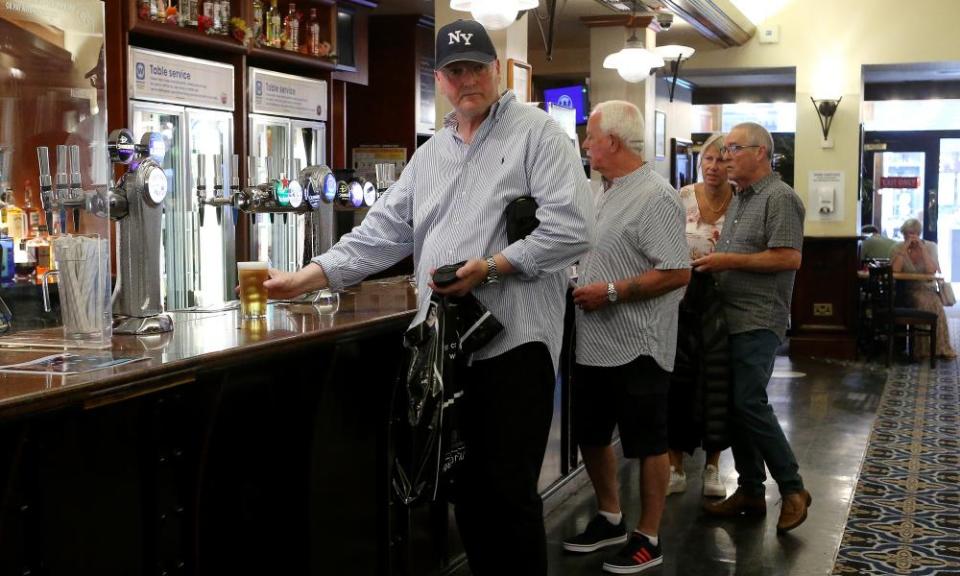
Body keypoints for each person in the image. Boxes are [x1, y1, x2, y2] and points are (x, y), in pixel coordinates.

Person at [263, 19, 594, 575]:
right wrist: (309, 276)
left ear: (495, 70)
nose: (468, 80)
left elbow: (572, 228)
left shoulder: (538, 133)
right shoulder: (433, 151)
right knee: (465, 490)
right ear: (439, 79)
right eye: (455, 71)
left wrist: (490, 267)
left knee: (507, 496)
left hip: (516, 344)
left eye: (477, 68)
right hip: (447, 349)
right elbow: (382, 232)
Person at [562, 100, 690, 574]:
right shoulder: (599, 189)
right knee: (591, 435)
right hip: (592, 341)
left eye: (590, 135)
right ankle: (610, 517)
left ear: (612, 141)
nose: (585, 143)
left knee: (647, 442)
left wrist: (612, 292)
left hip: (639, 343)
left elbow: (677, 273)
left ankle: (648, 535)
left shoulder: (655, 196)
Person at [692, 122, 812, 534]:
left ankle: (793, 489)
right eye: (722, 149)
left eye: (733, 149)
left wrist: (726, 262)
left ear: (760, 152)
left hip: (759, 317)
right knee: (733, 404)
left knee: (747, 401)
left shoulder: (780, 198)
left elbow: (788, 258)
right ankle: (750, 490)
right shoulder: (741, 197)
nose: (724, 157)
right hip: (729, 317)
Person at [667, 133, 732, 499]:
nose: (714, 166)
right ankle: (675, 466)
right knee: (677, 382)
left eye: (722, 160)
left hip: (723, 303)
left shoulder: (740, 204)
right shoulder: (682, 197)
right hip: (679, 300)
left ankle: (713, 466)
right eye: (709, 159)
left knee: (718, 384)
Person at [890, 218, 956, 358]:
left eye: (913, 233)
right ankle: (922, 349)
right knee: (921, 302)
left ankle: (939, 348)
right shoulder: (897, 248)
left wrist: (923, 249)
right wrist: (903, 249)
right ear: (903, 235)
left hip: (926, 287)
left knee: (935, 305)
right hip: (906, 289)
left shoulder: (930, 246)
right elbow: (895, 270)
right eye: (907, 234)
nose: (911, 237)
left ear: (919, 234)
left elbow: (931, 270)